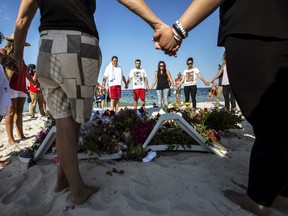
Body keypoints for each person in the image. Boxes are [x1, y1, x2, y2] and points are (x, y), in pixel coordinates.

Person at [150, 0, 288, 215]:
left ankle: (258, 199)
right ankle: (281, 192)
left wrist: (177, 31)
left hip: (255, 29)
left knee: (266, 120)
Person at [2, 34, 36, 145]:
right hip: (10, 86)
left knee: (20, 112)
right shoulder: (4, 52)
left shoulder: (21, 56)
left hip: (21, 87)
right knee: (10, 113)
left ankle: (20, 133)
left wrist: (34, 83)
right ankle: (11, 138)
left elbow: (25, 72)